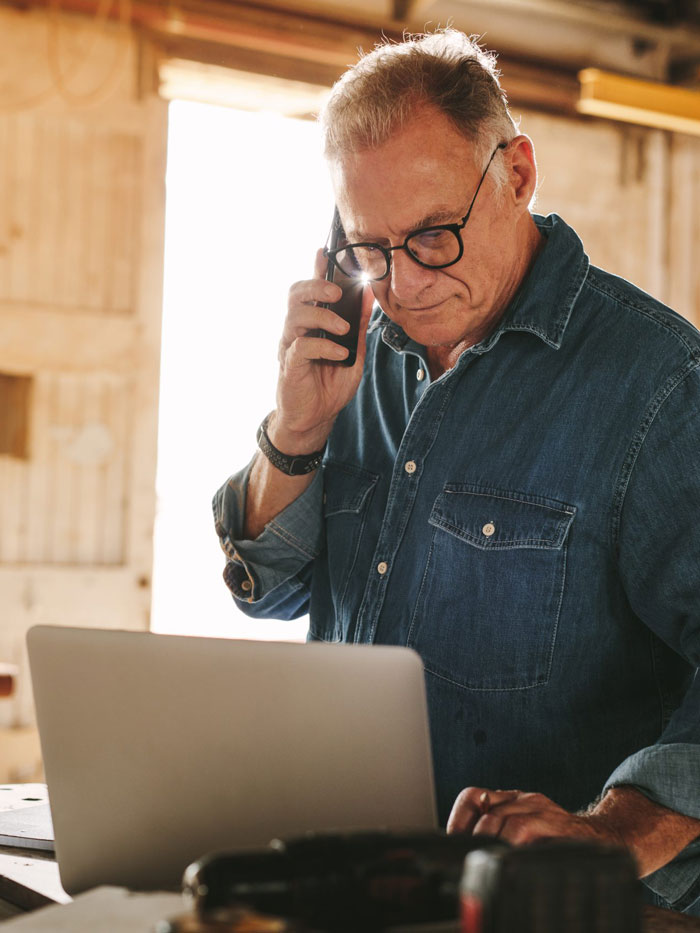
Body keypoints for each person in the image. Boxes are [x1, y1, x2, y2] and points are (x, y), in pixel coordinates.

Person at [213, 29, 700, 914]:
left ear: (517, 174)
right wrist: (297, 428)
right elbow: (266, 589)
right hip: (363, 879)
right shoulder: (352, 356)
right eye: (368, 248)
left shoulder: (661, 386)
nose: (403, 283)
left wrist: (617, 830)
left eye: (433, 234)